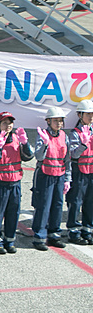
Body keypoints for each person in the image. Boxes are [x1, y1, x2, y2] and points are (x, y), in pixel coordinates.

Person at [0, 112, 34, 254]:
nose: (8, 126)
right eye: (5, 123)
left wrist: (25, 143)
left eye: (10, 123)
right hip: (0, 182)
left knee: (13, 212)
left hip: (15, 182)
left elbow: (28, 157)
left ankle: (10, 240)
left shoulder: (17, 139)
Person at [31, 106, 72, 251]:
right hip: (45, 174)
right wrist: (45, 144)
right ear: (48, 121)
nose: (59, 123)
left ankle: (54, 234)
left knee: (58, 205)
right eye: (56, 120)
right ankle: (39, 236)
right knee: (43, 205)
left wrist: (68, 178)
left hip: (59, 175)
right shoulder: (42, 135)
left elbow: (67, 159)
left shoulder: (64, 136)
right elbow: (38, 156)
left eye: (61, 121)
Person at [66, 100, 93, 245]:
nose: (91, 117)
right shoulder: (75, 133)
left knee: (90, 201)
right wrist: (83, 144)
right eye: (88, 114)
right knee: (75, 201)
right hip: (79, 170)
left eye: (92, 114)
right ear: (79, 115)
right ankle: (73, 230)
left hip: (92, 170)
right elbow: (74, 155)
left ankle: (87, 229)